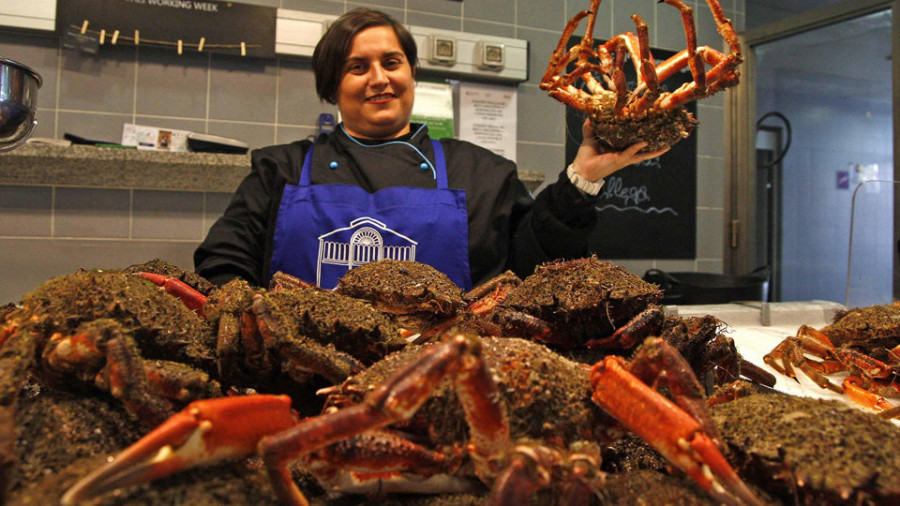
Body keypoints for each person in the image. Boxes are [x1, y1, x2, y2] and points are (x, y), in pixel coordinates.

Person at [194, 8, 667, 290]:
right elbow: (222, 266)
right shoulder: (281, 169)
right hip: (305, 381)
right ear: (331, 87)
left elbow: (536, 269)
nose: (379, 78)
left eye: (392, 62)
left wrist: (582, 178)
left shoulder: (480, 173)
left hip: (443, 388)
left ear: (411, 75)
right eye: (357, 67)